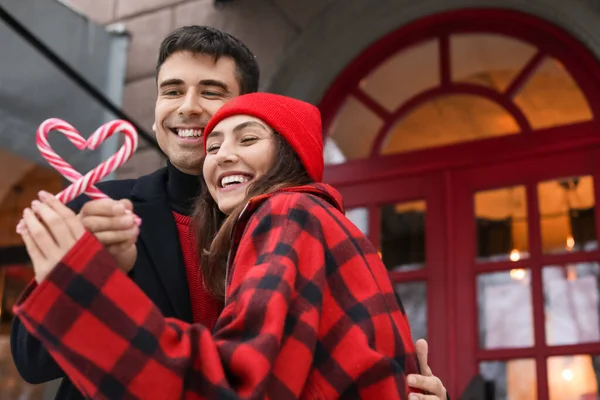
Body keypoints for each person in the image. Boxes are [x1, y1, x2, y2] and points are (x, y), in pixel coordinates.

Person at [14, 93, 447, 399]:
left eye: (248, 138)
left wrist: (82, 297)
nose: (220, 155)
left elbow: (240, 387)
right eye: (214, 145)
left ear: (289, 154)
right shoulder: (331, 227)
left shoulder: (287, 212)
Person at [10, 25, 260, 400]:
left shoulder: (273, 221)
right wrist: (89, 274)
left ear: (248, 108)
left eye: (211, 92)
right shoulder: (96, 208)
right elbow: (32, 362)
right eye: (171, 91)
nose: (188, 106)